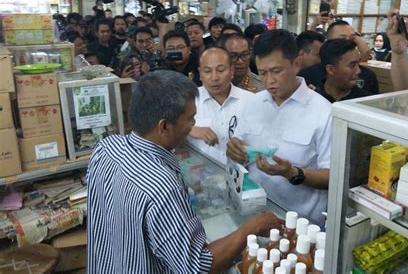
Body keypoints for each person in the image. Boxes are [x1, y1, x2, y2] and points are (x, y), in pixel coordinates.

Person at [87, 71, 281, 273]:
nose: (193, 125)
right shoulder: (162, 186)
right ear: (164, 126)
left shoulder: (106, 147)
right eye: (190, 119)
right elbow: (196, 266)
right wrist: (250, 228)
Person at [226, 29, 332, 226]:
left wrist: (292, 173)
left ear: (297, 63)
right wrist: (233, 149)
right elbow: (239, 144)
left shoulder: (323, 112)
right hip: (254, 214)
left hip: (300, 224)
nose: (269, 81)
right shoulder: (253, 103)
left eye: (276, 71)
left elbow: (332, 176)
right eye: (263, 73)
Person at [188, 47, 253, 165]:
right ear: (200, 74)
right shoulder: (188, 100)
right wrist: (188, 129)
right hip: (200, 179)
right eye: (207, 71)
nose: (214, 77)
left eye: (221, 70)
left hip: (245, 176)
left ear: (232, 71)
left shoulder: (251, 101)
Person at [327, 21, 379, 94]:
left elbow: (366, 53)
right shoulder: (313, 72)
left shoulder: (367, 75)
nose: (348, 43)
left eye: (352, 39)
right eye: (343, 39)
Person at [316, 38, 372, 103]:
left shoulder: (366, 102)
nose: (358, 71)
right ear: (330, 69)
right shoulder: (312, 99)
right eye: (352, 65)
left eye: (358, 64)